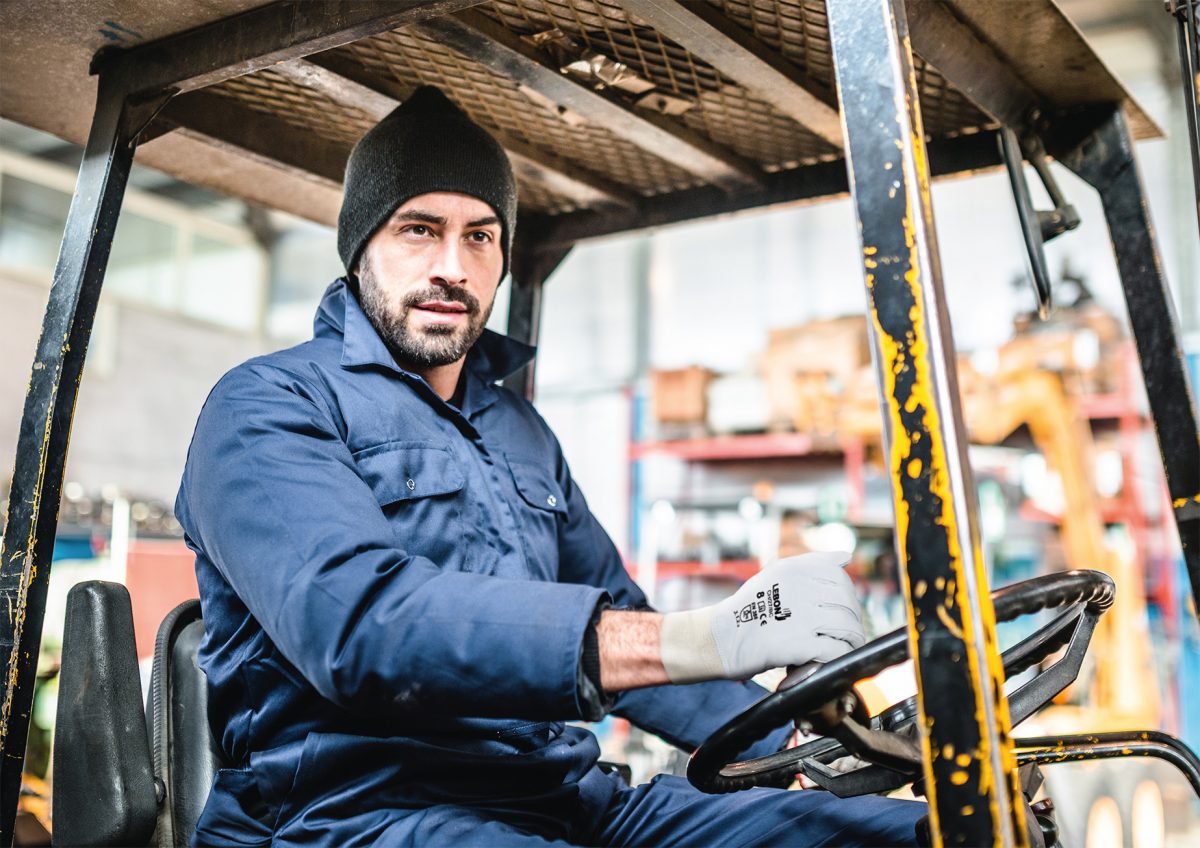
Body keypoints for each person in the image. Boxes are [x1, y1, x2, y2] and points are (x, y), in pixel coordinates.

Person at [176, 86, 925, 846]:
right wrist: (716, 633)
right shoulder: (267, 405)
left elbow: (617, 611)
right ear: (361, 245)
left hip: (561, 795)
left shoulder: (517, 430)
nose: (451, 266)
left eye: (480, 236)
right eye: (418, 230)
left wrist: (798, 748)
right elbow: (360, 627)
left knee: (920, 831)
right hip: (355, 811)